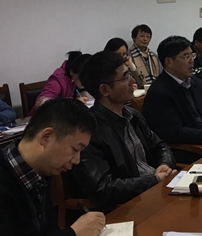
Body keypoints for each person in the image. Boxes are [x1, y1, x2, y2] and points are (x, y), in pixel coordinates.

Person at [0, 98, 104, 236]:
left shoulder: (42, 169)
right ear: (46, 137)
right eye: (74, 149)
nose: (77, 160)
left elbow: (48, 230)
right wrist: (72, 235)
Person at [73, 51, 176, 211]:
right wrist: (153, 180)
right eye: (126, 77)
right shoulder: (90, 131)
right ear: (105, 90)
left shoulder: (133, 115)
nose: (133, 82)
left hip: (155, 191)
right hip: (129, 206)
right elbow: (103, 189)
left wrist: (164, 164)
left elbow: (160, 146)